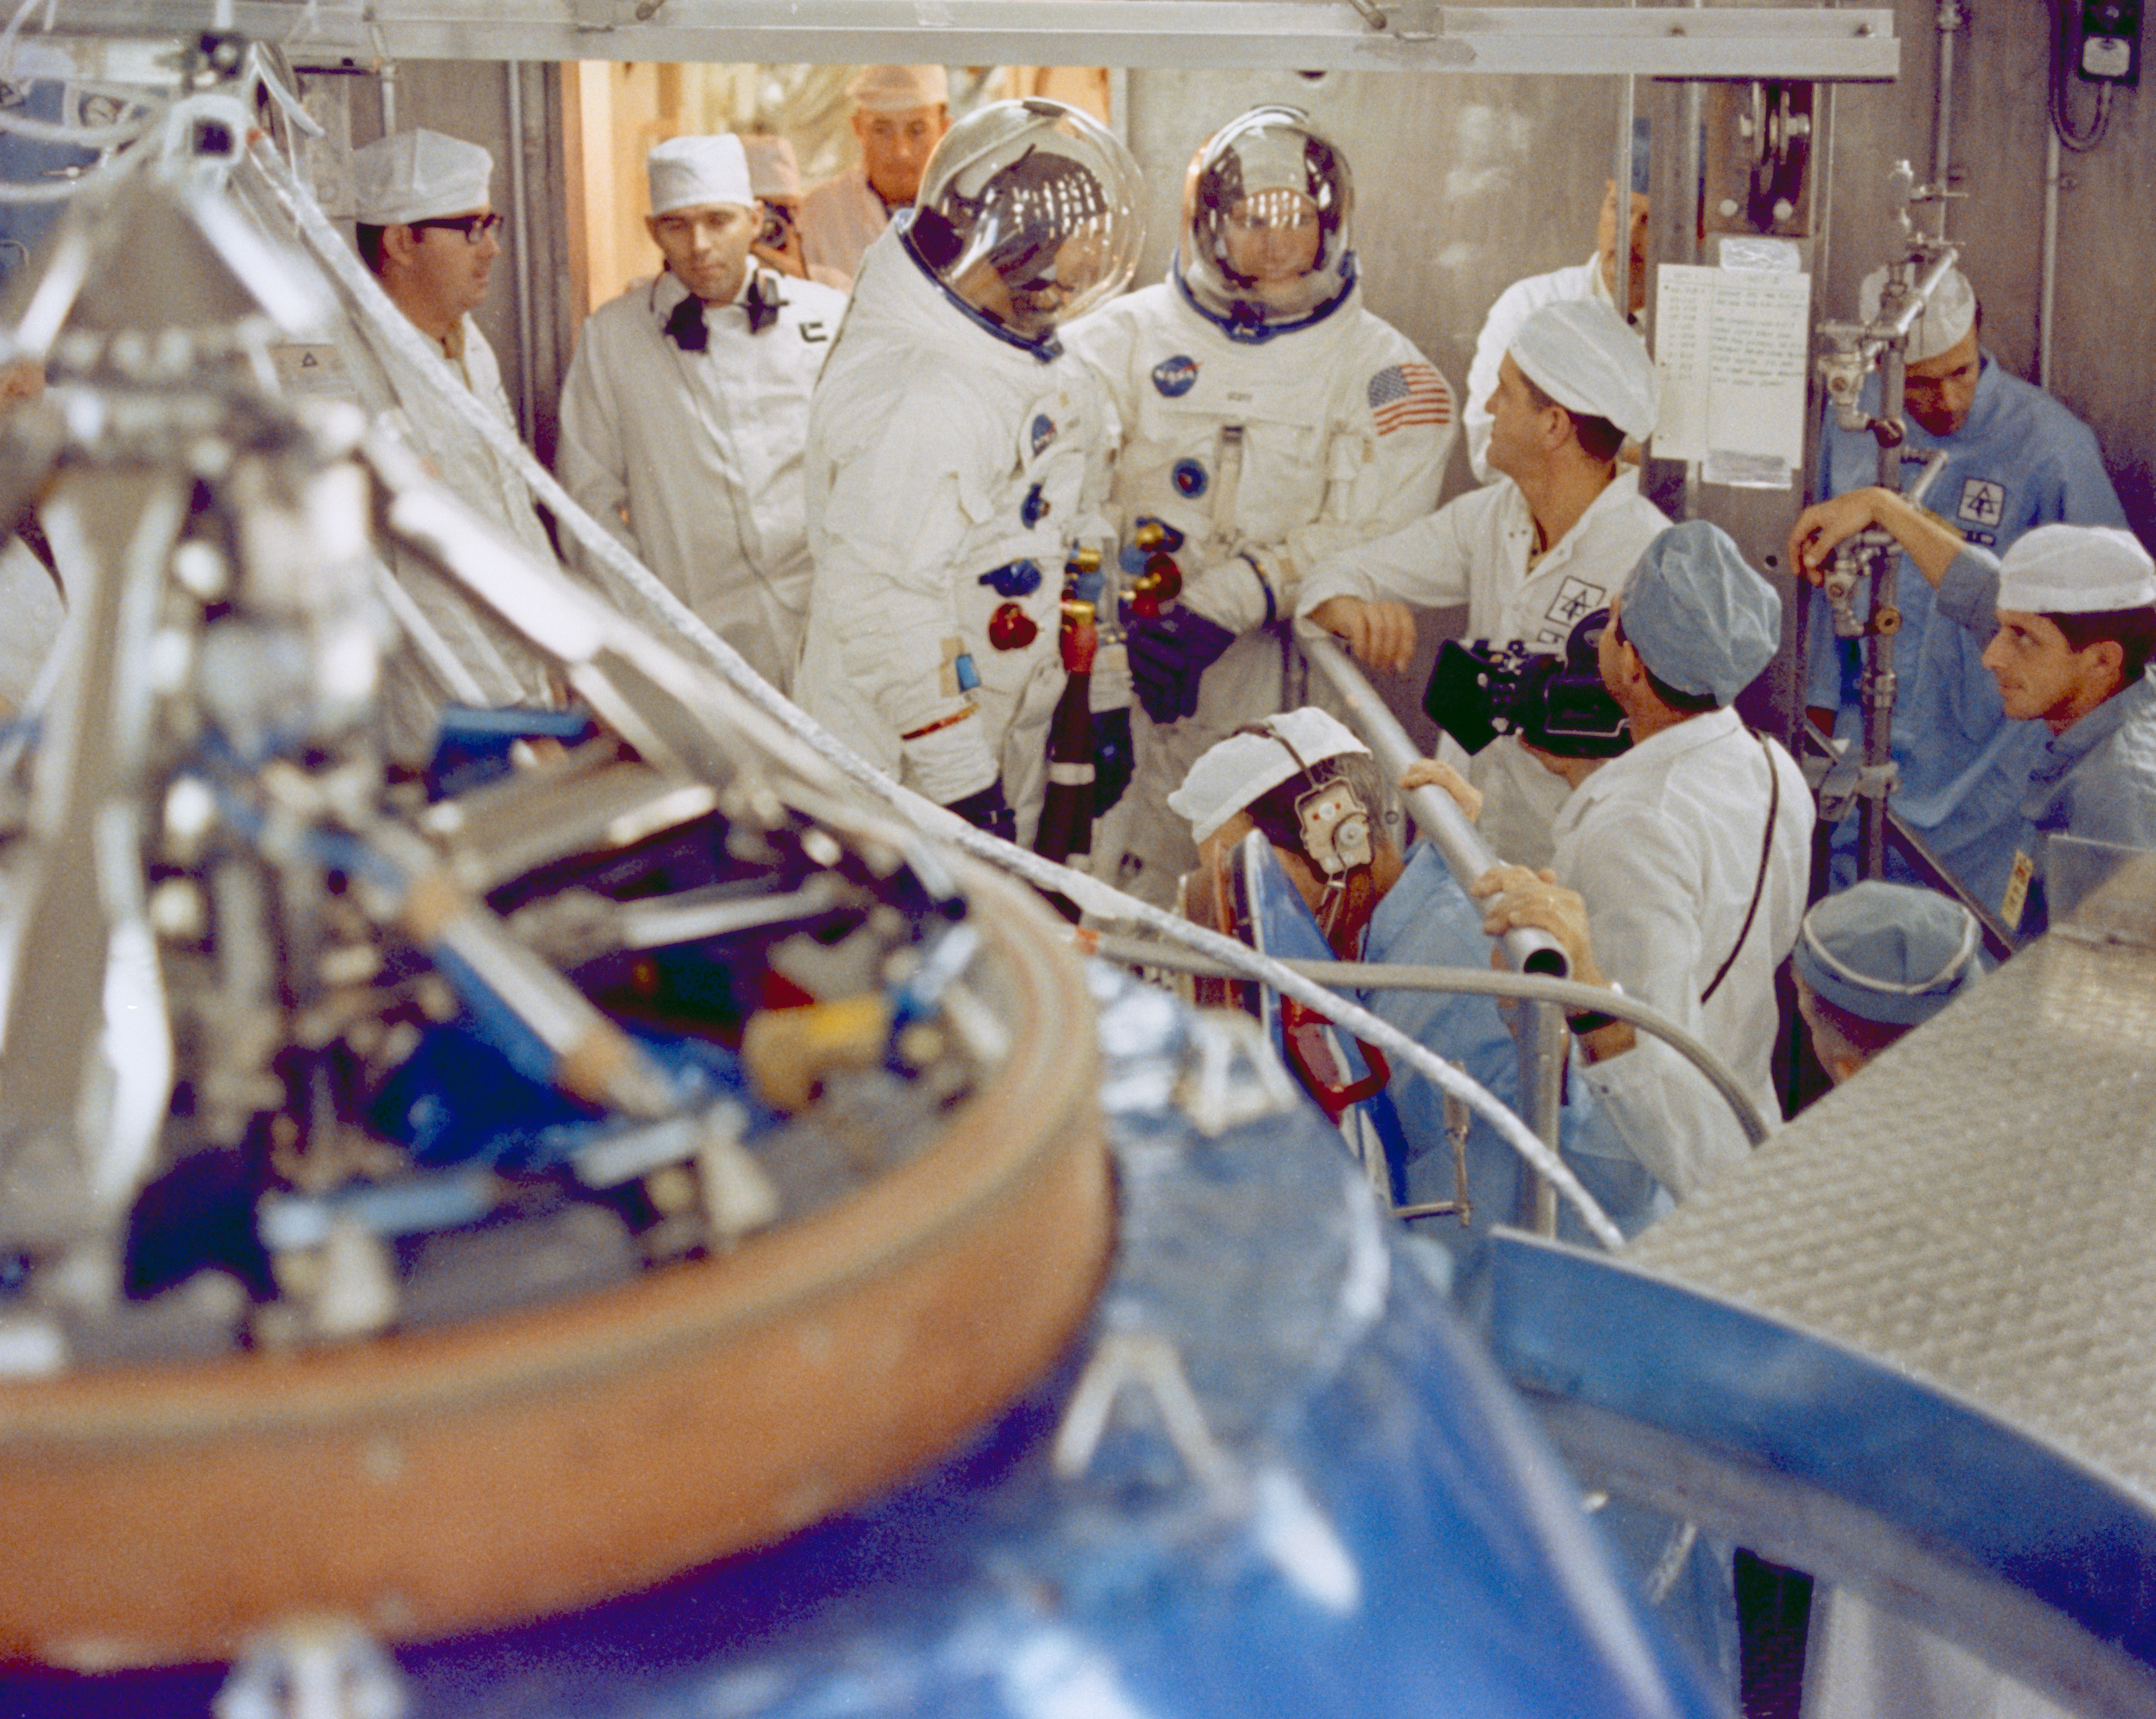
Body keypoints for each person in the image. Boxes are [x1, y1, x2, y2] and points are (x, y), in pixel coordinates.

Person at [1067, 105, 1453, 906]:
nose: (1276, 242)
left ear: (1332, 223)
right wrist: (1113, 659)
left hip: (1286, 695)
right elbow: (1066, 508)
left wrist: (1232, 598)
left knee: (1278, 909)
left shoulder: (1392, 376)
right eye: (1250, 220)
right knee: (1126, 888)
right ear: (1211, 226)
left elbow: (1371, 538)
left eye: (1297, 219)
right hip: (1135, 675)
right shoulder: (1116, 342)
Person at [1167, 706, 1666, 1256]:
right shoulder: (1371, 946)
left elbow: (1623, 1175)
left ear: (1341, 836)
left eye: (1260, 882)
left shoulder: (1466, 957)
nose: (1250, 914)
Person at [796, 99, 1142, 844]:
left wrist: (1100, 693)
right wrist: (961, 785)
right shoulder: (928, 389)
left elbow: (1076, 526)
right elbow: (882, 601)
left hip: (995, 727)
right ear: (1017, 245)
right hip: (903, 761)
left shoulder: (1023, 356)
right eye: (1066, 256)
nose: (1072, 282)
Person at [1464, 522, 1813, 1202]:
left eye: (1614, 622)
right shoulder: (1774, 769)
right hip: (1745, 1113)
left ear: (1630, 664)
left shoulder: (1634, 827)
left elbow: (1641, 1050)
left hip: (1649, 1175)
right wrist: (1590, 785)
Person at [1804, 265, 2127, 920]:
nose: (1947, 401)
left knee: (1970, 955)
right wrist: (1817, 719)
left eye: (1962, 373)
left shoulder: (2050, 448)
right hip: (1870, 744)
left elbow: (2101, 622)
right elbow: (1823, 597)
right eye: (1921, 385)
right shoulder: (1850, 427)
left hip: (1992, 771)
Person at [1299, 297, 1664, 866]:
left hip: (1568, 870)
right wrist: (1357, 612)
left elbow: (1666, 752)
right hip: (1464, 846)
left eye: (1506, 392)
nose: (1490, 406)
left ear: (1553, 426)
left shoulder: (1646, 558)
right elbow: (1332, 575)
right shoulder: (1493, 517)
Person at [557, 135, 847, 695]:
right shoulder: (613, 339)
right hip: (696, 647)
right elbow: (586, 503)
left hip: (827, 630)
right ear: (652, 231)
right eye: (676, 225)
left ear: (756, 220)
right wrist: (649, 629)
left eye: (719, 221)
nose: (700, 245)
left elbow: (872, 471)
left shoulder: (827, 318)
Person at [1791, 491, 2156, 935]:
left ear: (2102, 660)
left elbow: (2108, 988)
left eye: (2021, 636)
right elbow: (1979, 589)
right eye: (2001, 627)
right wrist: (1883, 507)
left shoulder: (2116, 797)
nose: (1992, 656)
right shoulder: (2107, 683)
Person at [346, 127, 559, 759]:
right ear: (400, 241)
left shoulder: (470, 344)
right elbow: (413, 576)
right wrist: (508, 714)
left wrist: (559, 652)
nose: (492, 248)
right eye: (471, 228)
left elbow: (513, 506)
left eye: (491, 224)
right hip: (446, 707)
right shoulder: (355, 370)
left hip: (520, 681)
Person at [1461, 171, 1649, 483]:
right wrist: (1630, 456)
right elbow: (1491, 451)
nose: (1629, 235)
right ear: (1604, 200)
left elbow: (1698, 479)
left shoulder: (1703, 328)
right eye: (1620, 209)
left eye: (1650, 221)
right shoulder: (1528, 306)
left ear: (1696, 232)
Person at [798, 65, 953, 284]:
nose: (901, 151)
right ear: (858, 128)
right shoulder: (818, 212)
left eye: (917, 131)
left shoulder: (967, 210)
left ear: (944, 130)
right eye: (882, 130)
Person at [740, 134, 850, 292]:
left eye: (784, 211)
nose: (773, 224)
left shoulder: (834, 285)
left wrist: (799, 277)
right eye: (763, 212)